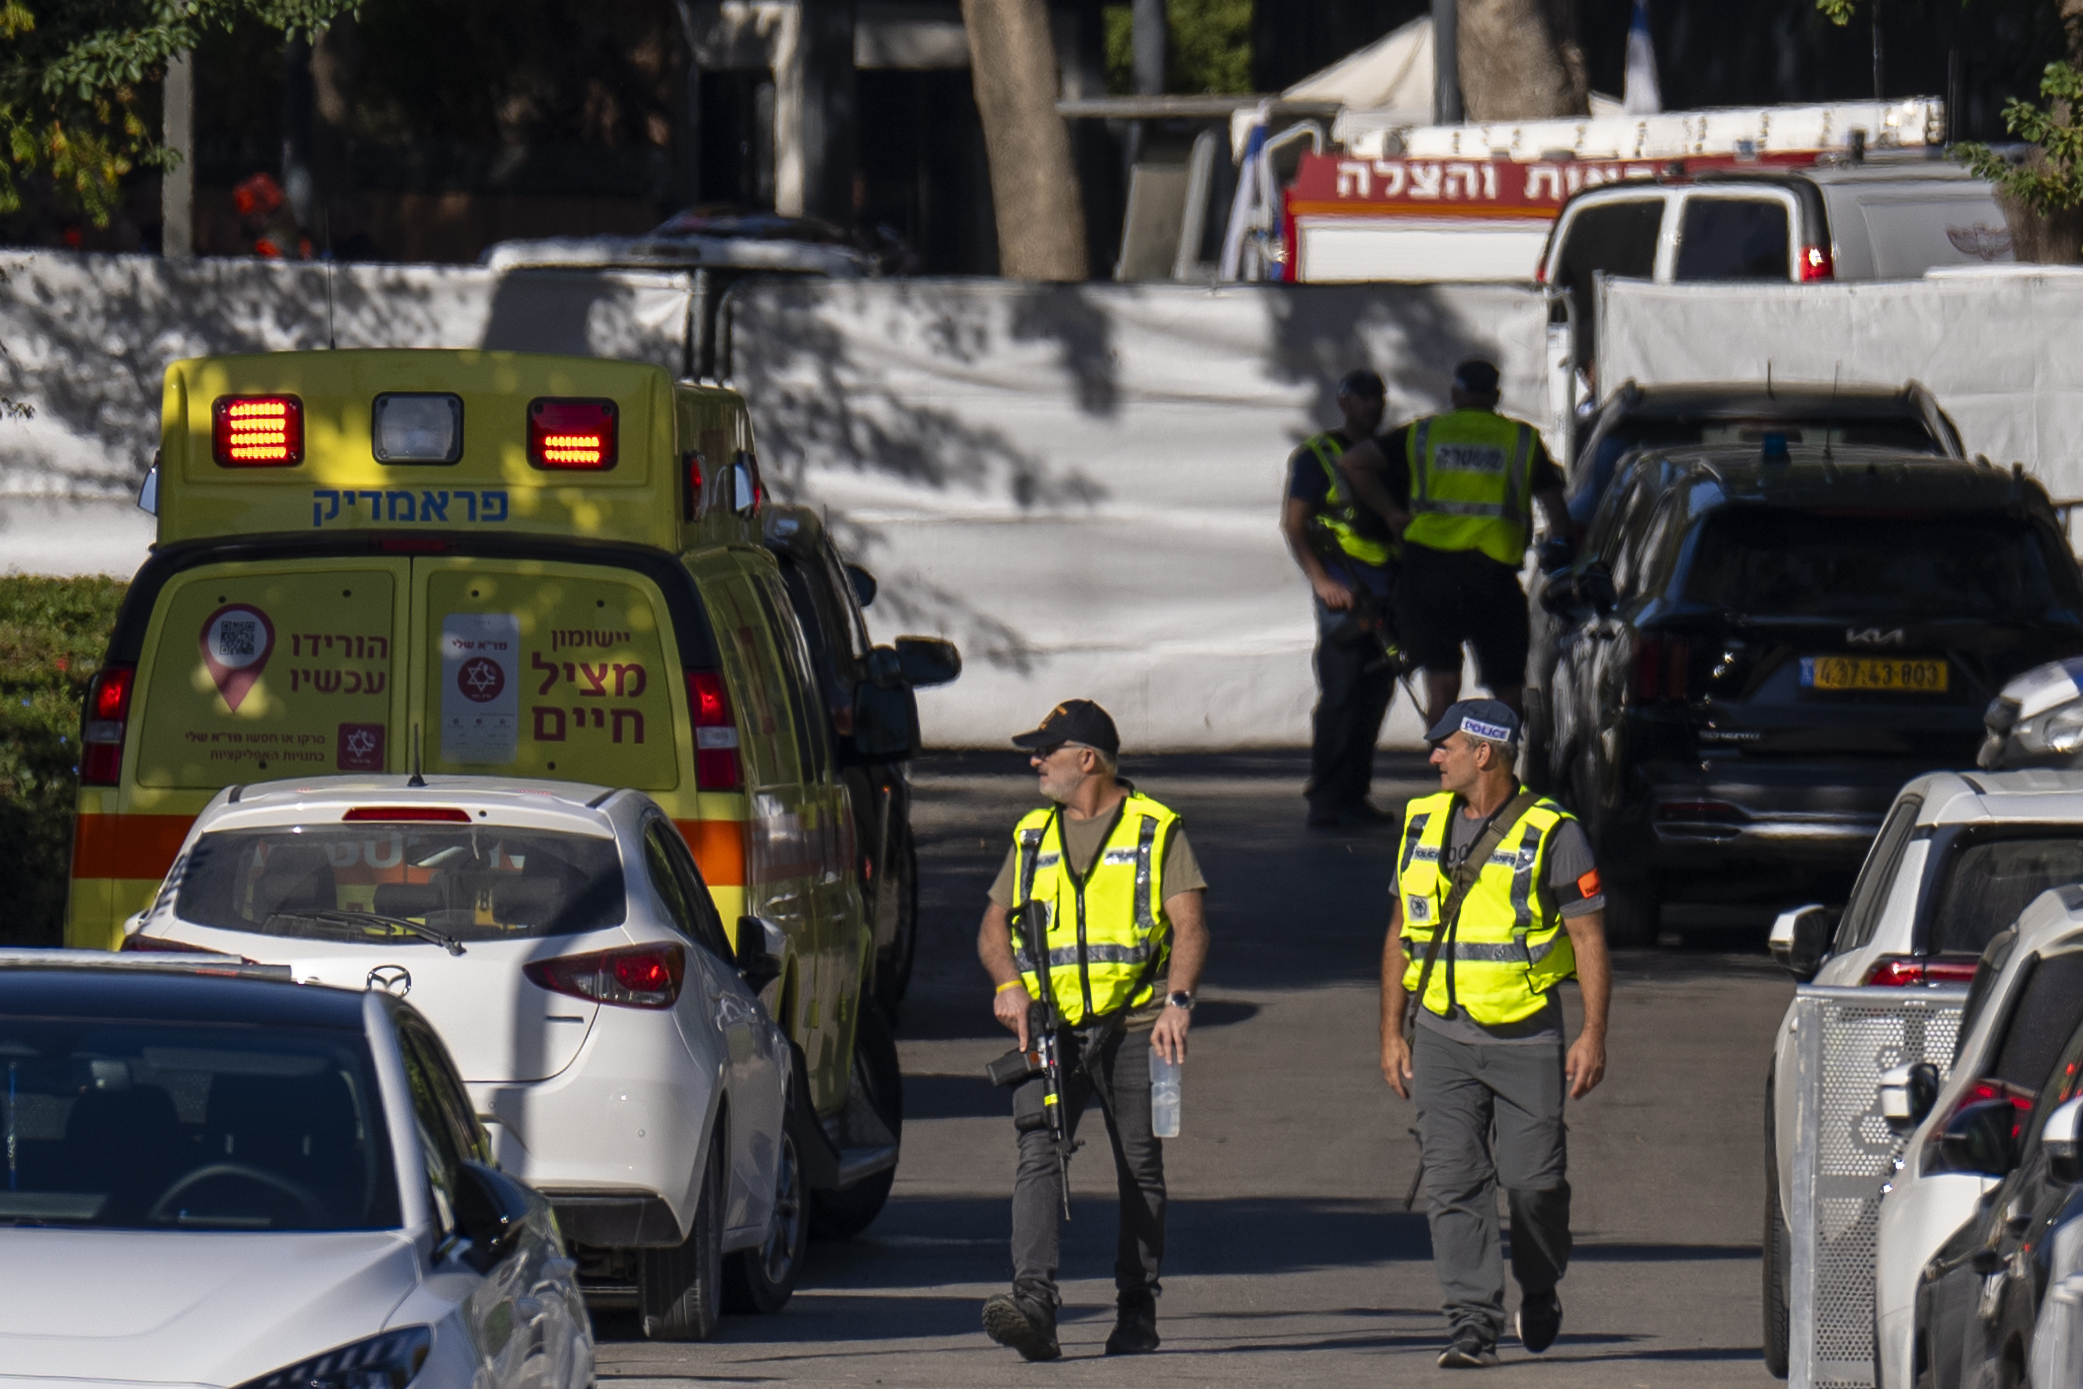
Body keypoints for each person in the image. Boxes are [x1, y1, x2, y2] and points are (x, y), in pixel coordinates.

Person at [1377, 700, 1611, 1368]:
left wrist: (1592, 1032)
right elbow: (1399, 931)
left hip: (1524, 1036)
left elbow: (1587, 935)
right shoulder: (1421, 821)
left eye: (1442, 745)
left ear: (1484, 752)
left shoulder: (1552, 832)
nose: (1432, 757)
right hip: (1441, 1035)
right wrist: (1391, 1030)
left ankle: (1538, 1285)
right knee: (1453, 1182)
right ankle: (1471, 1323)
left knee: (1534, 1183)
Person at [976, 699, 1210, 1361]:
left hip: (1137, 1024)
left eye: (1045, 750)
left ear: (1087, 758)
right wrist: (1008, 985)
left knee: (1140, 1166)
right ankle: (1033, 1303)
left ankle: (1136, 1307)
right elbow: (993, 928)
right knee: (1037, 1149)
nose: (1034, 761)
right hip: (1053, 1029)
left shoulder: (1154, 828)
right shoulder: (1032, 834)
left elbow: (1188, 924)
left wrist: (1179, 1002)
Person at [1336, 357, 1576, 731]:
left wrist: (1391, 514)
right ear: (1495, 395)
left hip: (1430, 575)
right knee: (1508, 686)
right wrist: (1563, 556)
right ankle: (1500, 772)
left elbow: (1353, 463)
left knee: (1443, 681)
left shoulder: (1425, 433)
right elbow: (1557, 513)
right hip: (1494, 578)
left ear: (1455, 393)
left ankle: (1447, 775)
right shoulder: (1522, 439)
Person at [1281, 368, 1402, 829]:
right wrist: (1320, 580)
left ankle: (1355, 794)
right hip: (1344, 591)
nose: (1373, 405)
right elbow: (1294, 523)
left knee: (1375, 695)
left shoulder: (1390, 454)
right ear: (1344, 402)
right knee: (1341, 694)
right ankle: (1327, 796)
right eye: (1363, 397)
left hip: (1388, 591)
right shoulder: (1318, 456)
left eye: (1379, 397)